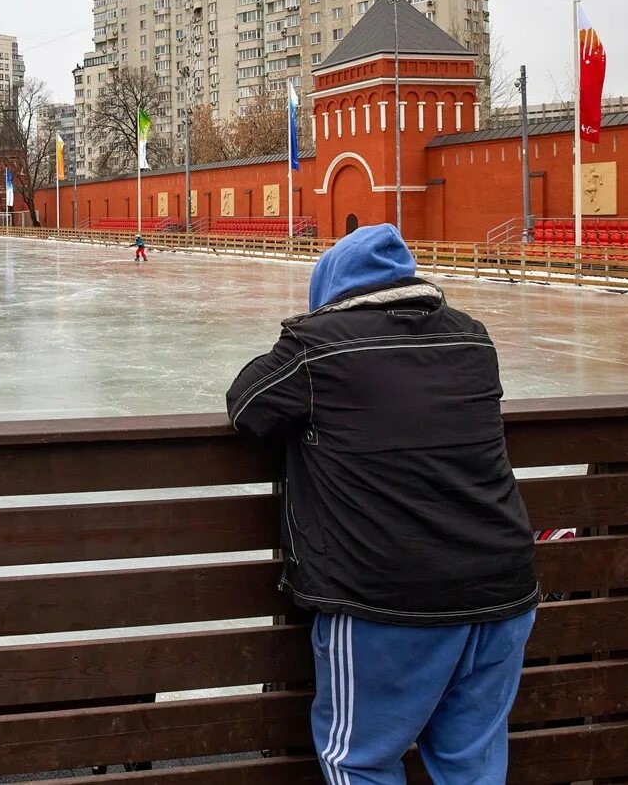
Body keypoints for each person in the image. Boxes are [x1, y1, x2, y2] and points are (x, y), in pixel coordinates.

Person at [224, 224, 537, 785]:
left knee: (358, 761)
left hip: (385, 600)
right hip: (502, 594)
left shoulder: (318, 346)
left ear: (331, 292)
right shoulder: (472, 338)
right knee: (472, 765)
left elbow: (248, 404)